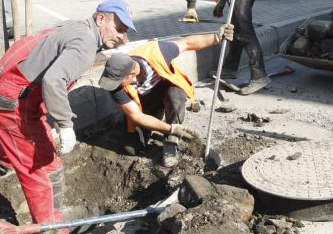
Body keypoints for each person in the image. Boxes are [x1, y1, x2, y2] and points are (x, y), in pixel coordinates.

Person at [0, 0, 135, 234]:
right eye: (119, 29)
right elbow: (54, 79)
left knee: (52, 165)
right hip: (12, 101)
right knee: (38, 169)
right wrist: (65, 124)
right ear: (101, 19)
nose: (123, 38)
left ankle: (52, 217)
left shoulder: (78, 28)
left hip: (14, 93)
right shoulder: (86, 44)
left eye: (126, 32)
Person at [99, 24, 233, 167]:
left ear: (132, 73)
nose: (114, 85)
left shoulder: (157, 52)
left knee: (176, 94)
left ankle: (171, 141)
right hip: (144, 106)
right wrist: (171, 128)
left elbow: (187, 43)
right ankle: (158, 122)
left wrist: (216, 37)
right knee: (130, 149)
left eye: (118, 81)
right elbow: (137, 116)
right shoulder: (116, 85)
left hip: (164, 92)